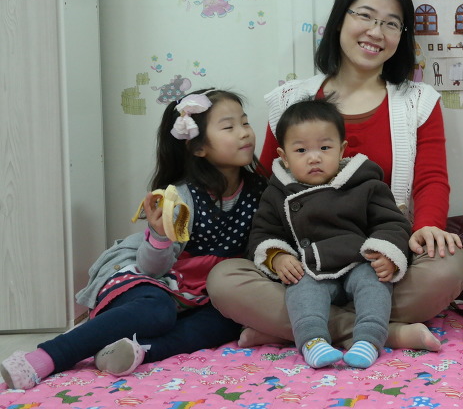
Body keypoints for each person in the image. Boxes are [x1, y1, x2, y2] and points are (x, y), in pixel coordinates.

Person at [207, 0, 463, 353]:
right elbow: (267, 187)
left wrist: (428, 226)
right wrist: (275, 255)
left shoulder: (418, 101)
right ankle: (385, 331)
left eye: (391, 23)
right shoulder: (291, 100)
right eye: (365, 16)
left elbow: (431, 179)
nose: (376, 32)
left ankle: (295, 326)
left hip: (382, 261)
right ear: (339, 20)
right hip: (302, 266)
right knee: (223, 279)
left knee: (450, 265)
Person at [1, 89, 266, 390]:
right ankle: (47, 356)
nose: (244, 133)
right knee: (157, 311)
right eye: (229, 127)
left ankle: (134, 351)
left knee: (229, 321)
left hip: (204, 290)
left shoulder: (260, 190)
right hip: (152, 274)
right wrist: (160, 235)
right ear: (197, 147)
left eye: (245, 122)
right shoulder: (182, 197)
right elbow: (152, 268)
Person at [249, 98, 411, 369]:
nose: (314, 157)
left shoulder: (365, 182)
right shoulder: (276, 193)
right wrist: (277, 256)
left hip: (359, 261)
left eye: (325, 148)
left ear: (342, 149)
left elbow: (392, 223)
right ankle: (312, 341)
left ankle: (369, 339)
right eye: (301, 150)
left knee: (375, 282)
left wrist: (386, 253)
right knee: (300, 287)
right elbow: (262, 232)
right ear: (284, 157)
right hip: (310, 269)